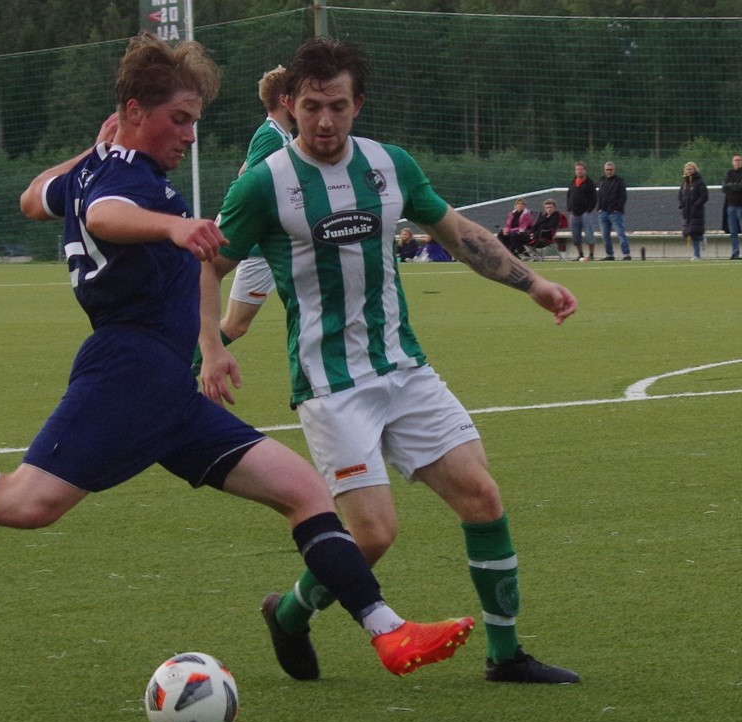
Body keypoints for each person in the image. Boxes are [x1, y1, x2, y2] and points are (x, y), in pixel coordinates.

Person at [0, 32, 472, 681]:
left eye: (195, 119)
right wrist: (172, 224)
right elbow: (108, 215)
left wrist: (91, 154)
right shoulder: (128, 182)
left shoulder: (98, 167)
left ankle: (387, 631)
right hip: (130, 370)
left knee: (303, 492)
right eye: (179, 118)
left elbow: (30, 199)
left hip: (169, 384)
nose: (190, 135)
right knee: (28, 503)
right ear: (136, 113)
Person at [201, 37, 580, 684]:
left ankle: (505, 654)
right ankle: (290, 614)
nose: (324, 121)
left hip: (405, 369)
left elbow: (457, 232)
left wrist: (532, 283)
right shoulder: (265, 184)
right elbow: (207, 264)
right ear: (290, 105)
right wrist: (211, 347)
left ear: (358, 105)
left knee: (482, 496)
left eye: (338, 107)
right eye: (313, 106)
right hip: (330, 384)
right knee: (373, 535)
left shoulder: (389, 165)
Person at [190, 65, 294, 375]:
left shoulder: (277, 135)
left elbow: (244, 172)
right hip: (256, 248)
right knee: (235, 326)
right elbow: (248, 182)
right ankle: (182, 367)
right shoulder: (273, 137)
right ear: (285, 99)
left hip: (266, 245)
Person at [597, 161, 631, 261]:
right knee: (605, 235)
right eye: (607, 170)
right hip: (603, 212)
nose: (609, 171)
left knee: (620, 233)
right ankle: (609, 255)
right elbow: (599, 195)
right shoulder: (602, 181)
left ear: (614, 170)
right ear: (604, 170)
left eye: (611, 170)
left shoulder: (619, 181)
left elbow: (623, 197)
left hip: (615, 213)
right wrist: (599, 208)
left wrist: (618, 208)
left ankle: (626, 254)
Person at [567, 161, 597, 261]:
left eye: (581, 169)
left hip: (586, 212)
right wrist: (570, 208)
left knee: (589, 233)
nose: (579, 171)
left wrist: (589, 209)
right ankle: (580, 254)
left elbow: (594, 198)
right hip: (574, 213)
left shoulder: (589, 183)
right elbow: (569, 195)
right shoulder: (573, 182)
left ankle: (591, 255)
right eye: (577, 169)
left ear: (585, 170)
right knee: (575, 235)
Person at [679, 161, 709, 260]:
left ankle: (696, 254)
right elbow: (680, 195)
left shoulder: (700, 182)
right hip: (686, 212)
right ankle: (701, 240)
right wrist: (681, 204)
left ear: (695, 170)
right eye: (687, 169)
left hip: (696, 212)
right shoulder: (684, 183)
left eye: (690, 169)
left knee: (694, 232)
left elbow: (704, 196)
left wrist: (696, 205)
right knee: (686, 233)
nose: (688, 171)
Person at [720, 154, 742, 260]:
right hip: (730, 207)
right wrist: (736, 186)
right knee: (733, 232)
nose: (737, 162)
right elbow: (725, 188)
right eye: (735, 160)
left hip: (741, 206)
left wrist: (732, 187)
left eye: (739, 160)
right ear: (732, 162)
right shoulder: (729, 173)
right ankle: (735, 253)